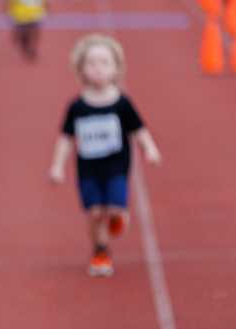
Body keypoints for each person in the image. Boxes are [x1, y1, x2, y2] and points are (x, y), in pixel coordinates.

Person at [48, 34, 162, 277]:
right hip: (88, 170)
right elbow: (66, 137)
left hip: (116, 167)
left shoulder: (121, 103)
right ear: (81, 69)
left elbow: (138, 129)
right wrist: (57, 165)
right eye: (91, 64)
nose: (98, 69)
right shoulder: (77, 106)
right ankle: (100, 251)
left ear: (116, 69)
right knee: (94, 212)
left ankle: (118, 216)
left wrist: (150, 148)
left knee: (115, 210)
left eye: (104, 63)